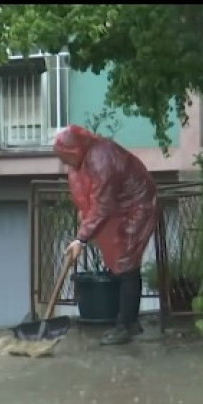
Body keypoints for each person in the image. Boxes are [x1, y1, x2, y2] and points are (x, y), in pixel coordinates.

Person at [56, 124, 158, 345]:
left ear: (74, 150)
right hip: (121, 207)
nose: (64, 162)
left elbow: (103, 204)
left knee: (127, 265)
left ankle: (125, 326)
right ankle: (129, 322)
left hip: (135, 207)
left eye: (65, 156)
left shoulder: (102, 159)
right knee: (122, 265)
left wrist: (81, 239)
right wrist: (85, 220)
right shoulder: (85, 158)